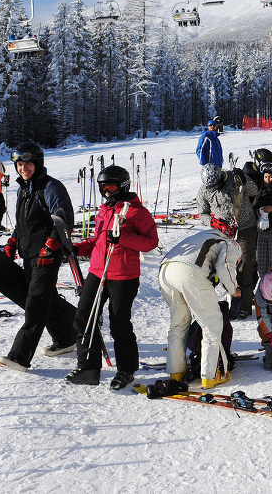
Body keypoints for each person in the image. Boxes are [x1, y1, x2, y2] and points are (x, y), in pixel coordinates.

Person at [65, 166, 159, 389]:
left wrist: (123, 238)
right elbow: (98, 240)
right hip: (97, 272)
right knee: (84, 318)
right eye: (102, 187)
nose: (106, 191)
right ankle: (88, 367)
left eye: (111, 187)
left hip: (123, 276)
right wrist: (76, 249)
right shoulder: (104, 210)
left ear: (123, 186)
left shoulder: (137, 212)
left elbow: (151, 242)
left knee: (118, 324)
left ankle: (126, 370)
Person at [0, 142, 78, 372]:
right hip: (29, 253)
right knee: (46, 297)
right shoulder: (24, 188)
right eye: (19, 164)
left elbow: (63, 220)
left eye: (28, 164)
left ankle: (20, 356)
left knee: (35, 303)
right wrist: (14, 240)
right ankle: (67, 337)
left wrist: (51, 247)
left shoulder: (51, 187)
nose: (23, 168)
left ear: (38, 163)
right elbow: (25, 223)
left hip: (46, 256)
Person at [158, 227, 242, 389]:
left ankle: (176, 371)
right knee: (212, 324)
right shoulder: (232, 244)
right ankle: (210, 376)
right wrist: (234, 290)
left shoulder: (202, 236)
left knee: (178, 324)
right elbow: (225, 267)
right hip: (190, 272)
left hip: (166, 271)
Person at [197, 162, 259, 319]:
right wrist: (211, 222)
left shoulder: (235, 178)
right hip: (223, 233)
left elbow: (254, 190)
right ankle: (219, 302)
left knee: (244, 265)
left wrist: (244, 179)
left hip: (245, 227)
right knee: (222, 267)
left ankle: (244, 306)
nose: (215, 188)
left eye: (217, 185)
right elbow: (202, 212)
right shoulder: (205, 190)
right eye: (212, 187)